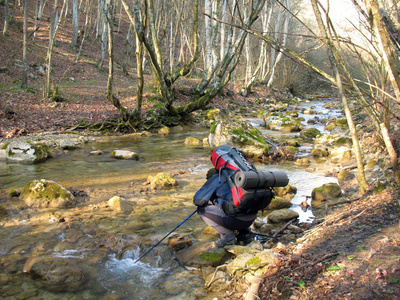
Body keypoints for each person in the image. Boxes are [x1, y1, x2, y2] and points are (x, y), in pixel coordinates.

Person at [193, 168, 257, 247]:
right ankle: (245, 234)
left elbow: (198, 201)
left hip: (236, 220)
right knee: (238, 206)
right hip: (251, 218)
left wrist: (209, 192)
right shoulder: (240, 176)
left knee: (201, 210)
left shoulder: (217, 179)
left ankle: (228, 237)